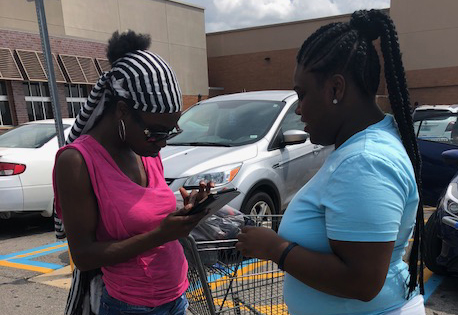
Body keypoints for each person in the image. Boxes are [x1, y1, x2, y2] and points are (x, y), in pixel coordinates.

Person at [236, 9, 426, 315]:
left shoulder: (366, 160)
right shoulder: (362, 146)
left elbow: (361, 281)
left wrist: (274, 249)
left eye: (302, 94)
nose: (298, 109)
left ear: (336, 89)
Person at [53, 30, 213, 315]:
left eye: (170, 131)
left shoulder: (145, 150)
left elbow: (144, 219)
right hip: (130, 306)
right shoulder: (77, 162)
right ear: (123, 111)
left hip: (177, 296)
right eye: (156, 132)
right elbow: (84, 255)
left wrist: (186, 210)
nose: (162, 143)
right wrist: (161, 234)